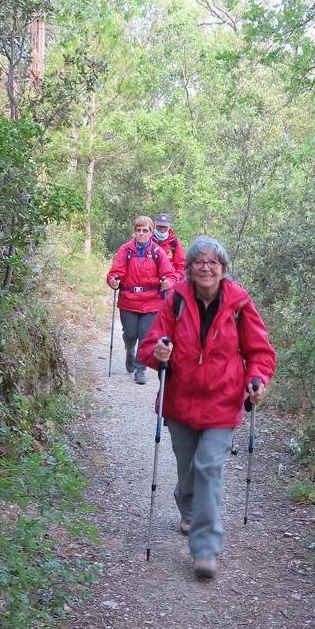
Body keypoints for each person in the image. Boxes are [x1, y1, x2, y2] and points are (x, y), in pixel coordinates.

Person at [138, 237, 276, 579]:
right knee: (188, 472)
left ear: (223, 269)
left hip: (222, 402)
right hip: (180, 401)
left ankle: (205, 549)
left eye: (213, 262)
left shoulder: (240, 305)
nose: (206, 267)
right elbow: (151, 345)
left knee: (208, 468)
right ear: (189, 269)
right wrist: (158, 353)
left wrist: (256, 380)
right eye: (199, 261)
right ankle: (187, 505)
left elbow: (260, 352)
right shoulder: (175, 301)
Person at [107, 215, 175, 384]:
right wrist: (114, 280)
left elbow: (169, 274)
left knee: (145, 336)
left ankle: (140, 368)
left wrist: (168, 282)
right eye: (138, 230)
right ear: (134, 231)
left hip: (152, 301)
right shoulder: (125, 250)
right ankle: (129, 351)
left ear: (151, 232)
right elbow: (116, 271)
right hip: (129, 300)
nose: (142, 233)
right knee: (130, 335)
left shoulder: (158, 252)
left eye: (145, 230)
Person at [151, 212, 186, 283]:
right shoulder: (147, 240)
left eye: (165, 227)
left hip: (169, 282)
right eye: (160, 226)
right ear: (155, 225)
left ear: (169, 227)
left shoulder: (174, 242)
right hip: (151, 282)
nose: (162, 229)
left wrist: (174, 278)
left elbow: (181, 264)